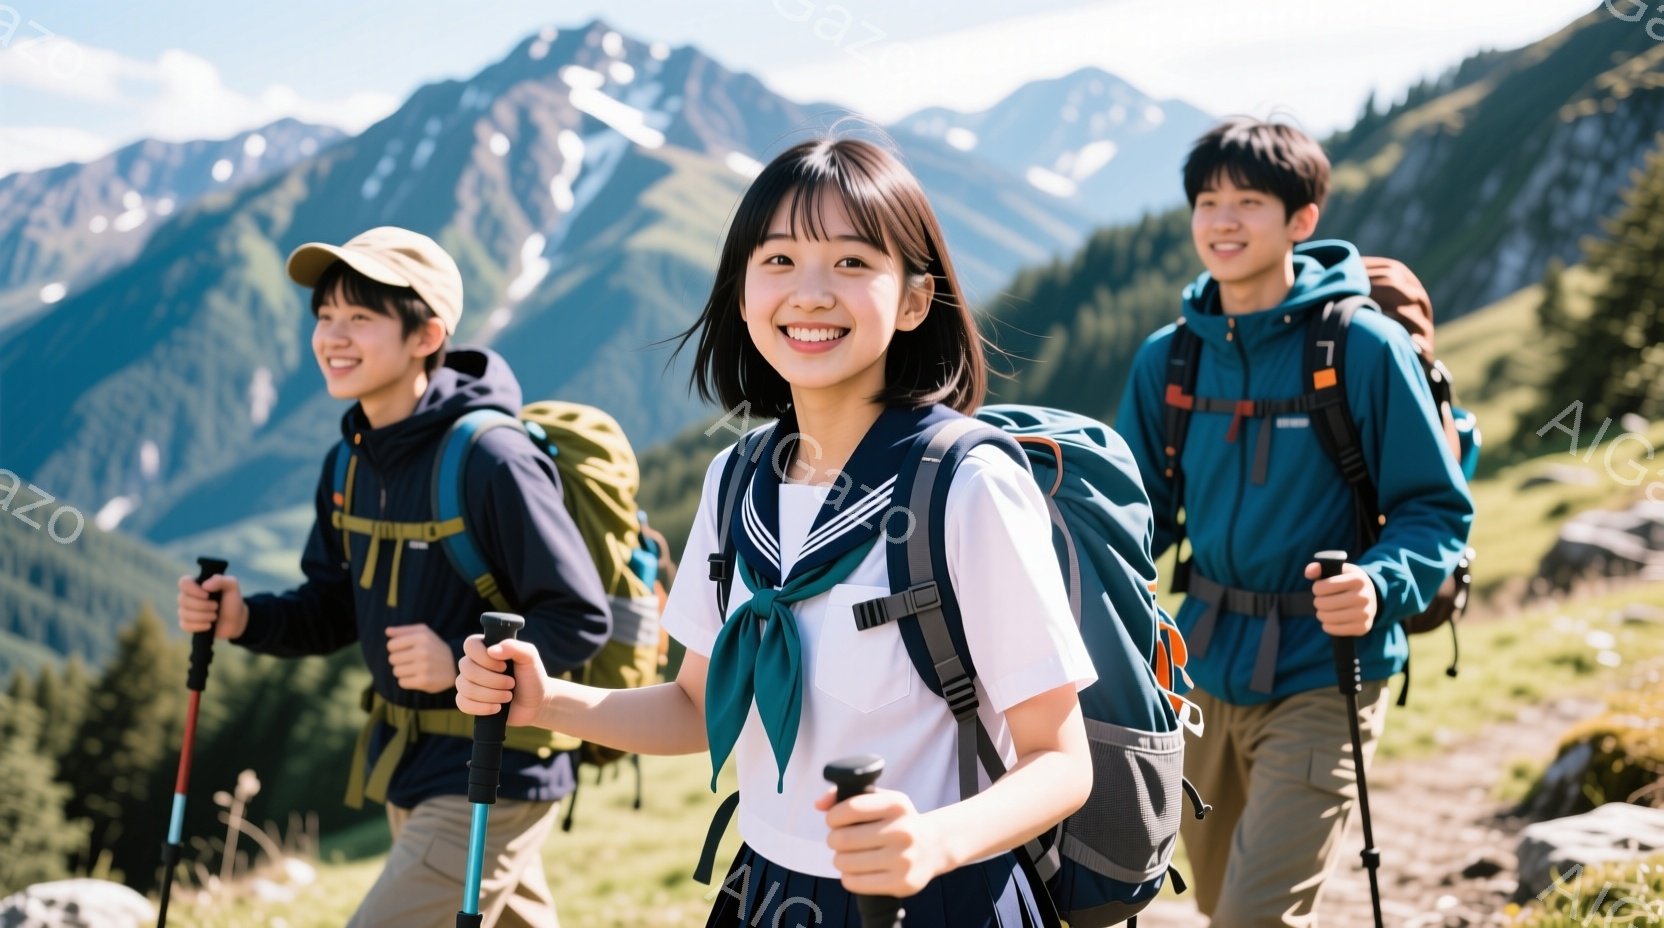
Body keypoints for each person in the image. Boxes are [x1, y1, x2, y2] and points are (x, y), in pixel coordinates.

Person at [455, 137, 1097, 927]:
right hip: (768, 896)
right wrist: (549, 701)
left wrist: (931, 842)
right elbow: (695, 707)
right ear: (743, 290)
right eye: (780, 260)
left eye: (854, 263)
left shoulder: (966, 486)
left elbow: (1061, 761)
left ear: (914, 301)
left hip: (940, 899)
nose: (812, 293)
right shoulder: (737, 483)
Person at [176, 226, 612, 927]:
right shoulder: (350, 462)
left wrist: (461, 660)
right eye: (324, 316)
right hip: (408, 763)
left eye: (360, 317)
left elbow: (581, 618)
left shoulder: (492, 460)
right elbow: (334, 606)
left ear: (425, 335)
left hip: (496, 767)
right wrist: (244, 619)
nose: (332, 337)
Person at [1114, 118, 1475, 925]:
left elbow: (1437, 508)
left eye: (1249, 201)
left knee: (1254, 916)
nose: (1223, 221)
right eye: (1208, 202)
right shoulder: (1168, 360)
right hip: (1201, 665)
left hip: (1327, 669)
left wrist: (1378, 584)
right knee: (1215, 900)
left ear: (1301, 220)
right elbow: (1136, 518)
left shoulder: (1362, 348)